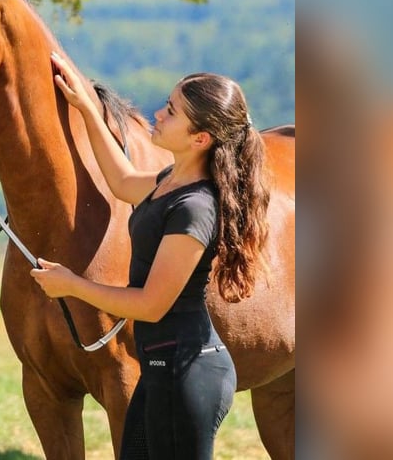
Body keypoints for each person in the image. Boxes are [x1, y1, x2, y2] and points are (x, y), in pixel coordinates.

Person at [30, 52, 271, 459]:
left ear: (200, 139)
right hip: (160, 370)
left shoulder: (196, 207)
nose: (159, 113)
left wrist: (72, 286)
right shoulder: (169, 183)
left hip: (187, 376)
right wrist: (88, 107)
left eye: (172, 111)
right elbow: (123, 181)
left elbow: (151, 305)